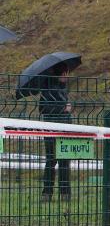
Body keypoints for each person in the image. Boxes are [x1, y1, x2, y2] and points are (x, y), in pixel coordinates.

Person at [39, 67, 72, 202]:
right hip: (51, 129)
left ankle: (65, 193)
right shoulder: (48, 89)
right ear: (60, 74)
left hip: (65, 129)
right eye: (65, 73)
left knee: (64, 161)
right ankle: (47, 193)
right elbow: (43, 108)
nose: (67, 76)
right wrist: (63, 108)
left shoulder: (63, 89)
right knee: (51, 161)